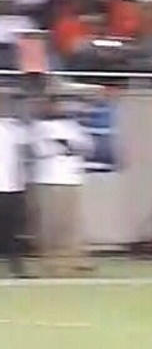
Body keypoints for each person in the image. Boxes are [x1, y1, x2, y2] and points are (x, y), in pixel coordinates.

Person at [28, 89, 94, 276]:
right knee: (50, 224)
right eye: (50, 104)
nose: (55, 107)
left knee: (71, 223)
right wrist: (66, 146)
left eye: (57, 103)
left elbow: (87, 146)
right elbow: (42, 149)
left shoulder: (72, 125)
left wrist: (64, 145)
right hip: (48, 180)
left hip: (71, 179)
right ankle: (52, 262)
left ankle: (74, 259)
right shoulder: (38, 127)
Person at [0, 97, 27, 278]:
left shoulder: (14, 128)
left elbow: (25, 152)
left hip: (13, 186)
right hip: (8, 185)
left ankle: (16, 266)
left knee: (12, 229)